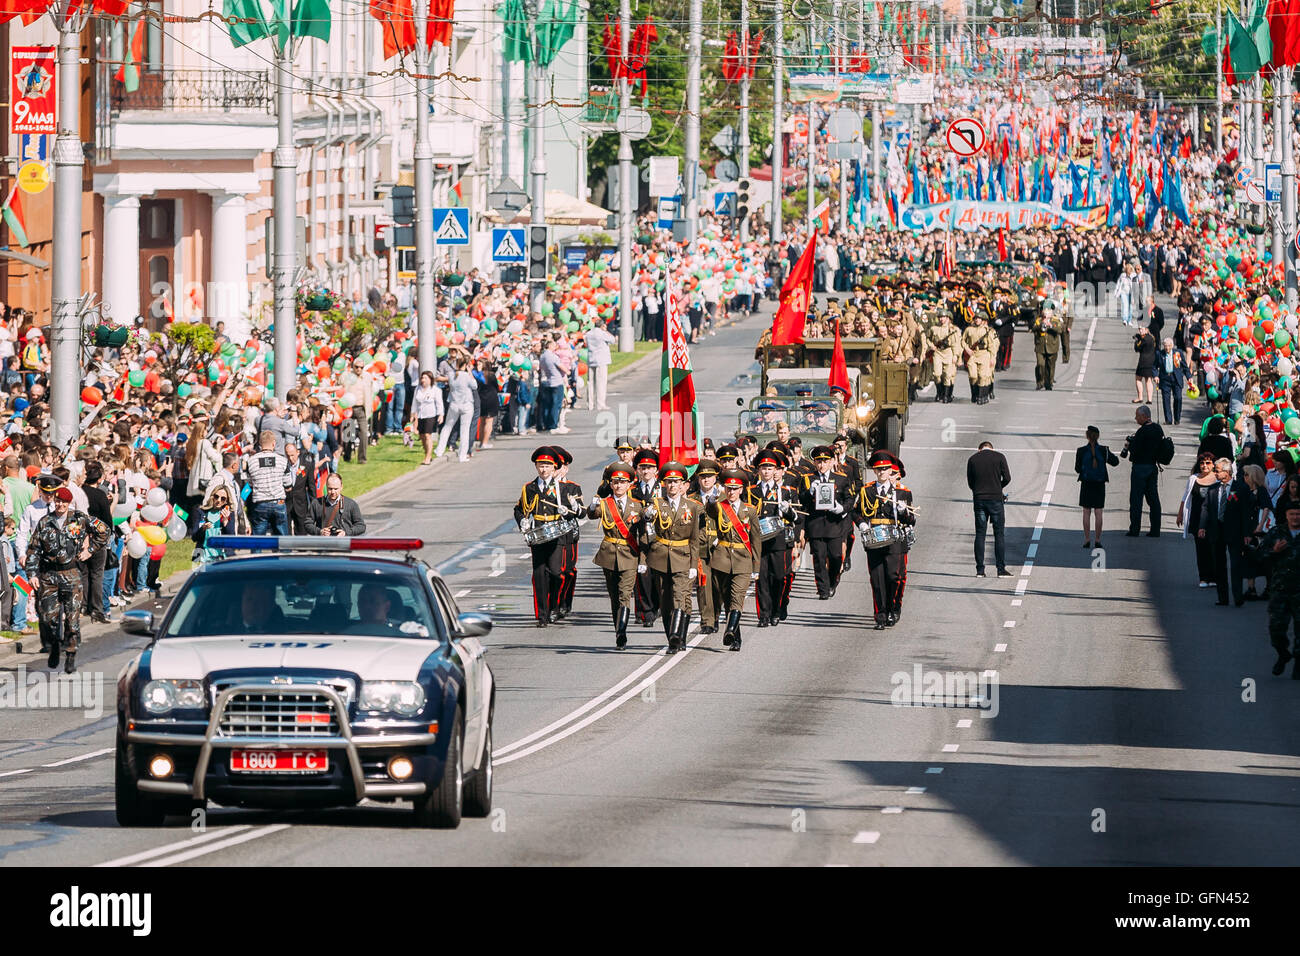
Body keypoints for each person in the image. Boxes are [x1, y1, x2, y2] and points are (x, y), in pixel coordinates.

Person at [26, 486, 108, 673]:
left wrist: (90, 550)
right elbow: (34, 549)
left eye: (64, 501)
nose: (60, 504)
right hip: (48, 576)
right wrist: (32, 574)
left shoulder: (79, 519)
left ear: (69, 502)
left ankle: (70, 653)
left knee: (72, 619)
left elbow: (104, 531)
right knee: (48, 617)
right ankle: (54, 645)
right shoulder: (45, 522)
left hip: (71, 574)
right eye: (58, 501)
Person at [643, 462, 704, 652]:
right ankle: (674, 635)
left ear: (683, 485)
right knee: (666, 601)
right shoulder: (656, 504)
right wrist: (647, 515)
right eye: (668, 482)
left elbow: (694, 539)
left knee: (680, 597)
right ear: (664, 484)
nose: (672, 485)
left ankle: (676, 637)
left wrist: (694, 563)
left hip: (683, 557)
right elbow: (646, 521)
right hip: (661, 558)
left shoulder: (692, 507)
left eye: (676, 482)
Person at [702, 470, 761, 651]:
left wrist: (756, 567)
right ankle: (736, 637)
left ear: (741, 489)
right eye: (728, 488)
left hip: (743, 560)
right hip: (721, 559)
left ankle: (729, 630)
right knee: (727, 600)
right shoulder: (719, 506)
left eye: (735, 489)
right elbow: (710, 511)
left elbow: (756, 540)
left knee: (737, 598)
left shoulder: (749, 510)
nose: (731, 492)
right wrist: (712, 500)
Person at [857, 450, 915, 628]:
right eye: (878, 469)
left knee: (893, 576)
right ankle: (880, 615)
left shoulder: (902, 493)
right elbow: (856, 512)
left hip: (895, 539)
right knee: (877, 579)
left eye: (885, 469)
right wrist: (862, 524)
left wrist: (904, 511)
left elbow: (912, 520)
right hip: (875, 538)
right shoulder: (867, 490)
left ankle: (891, 608)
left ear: (891, 471)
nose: (882, 472)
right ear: (875, 471)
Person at [588, 463, 643, 648]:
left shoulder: (638, 506)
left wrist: (643, 559)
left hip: (629, 554)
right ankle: (618, 627)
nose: (619, 486)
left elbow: (643, 534)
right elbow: (593, 514)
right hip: (609, 554)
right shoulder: (605, 504)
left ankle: (622, 631)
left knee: (624, 594)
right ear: (610, 484)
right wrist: (592, 505)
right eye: (615, 482)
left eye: (622, 482)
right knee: (614, 597)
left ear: (629, 484)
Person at [514, 446, 569, 626]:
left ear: (554, 468)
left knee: (555, 573)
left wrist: (568, 511)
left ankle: (554, 604)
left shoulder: (561, 488)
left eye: (547, 466)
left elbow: (575, 512)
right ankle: (542, 615)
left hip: (556, 534)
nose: (544, 469)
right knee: (539, 575)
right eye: (540, 465)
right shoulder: (529, 488)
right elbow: (519, 509)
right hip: (537, 535)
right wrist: (522, 520)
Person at [1248, 500, 1300, 678]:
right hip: (1280, 589)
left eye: (1298, 514)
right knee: (1276, 629)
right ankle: (1283, 654)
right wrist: (1275, 551)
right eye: (1292, 514)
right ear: (1286, 516)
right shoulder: (1277, 533)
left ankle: (1298, 665)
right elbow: (1259, 557)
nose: (1295, 517)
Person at [798, 445, 854, 598]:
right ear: (815, 463)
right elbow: (801, 500)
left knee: (836, 557)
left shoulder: (841, 478)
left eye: (825, 461)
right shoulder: (808, 478)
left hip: (834, 524)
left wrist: (841, 509)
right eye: (818, 461)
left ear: (831, 462)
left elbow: (850, 499)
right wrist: (809, 492)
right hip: (815, 524)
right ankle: (823, 590)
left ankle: (832, 581)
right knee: (819, 558)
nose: (822, 465)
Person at [751, 449, 797, 627]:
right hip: (759, 540)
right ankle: (764, 615)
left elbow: (797, 518)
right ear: (758, 470)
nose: (766, 471)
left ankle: (777, 609)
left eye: (770, 468)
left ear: (776, 470)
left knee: (779, 577)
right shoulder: (751, 491)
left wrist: (788, 511)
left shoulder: (785, 491)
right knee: (761, 578)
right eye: (763, 468)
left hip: (778, 539)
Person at [967, 440, 1012, 577]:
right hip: (996, 499)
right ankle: (1000, 569)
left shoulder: (973, 459)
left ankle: (980, 570)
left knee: (980, 534)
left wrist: (978, 489)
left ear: (979, 449)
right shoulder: (999, 457)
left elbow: (970, 482)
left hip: (979, 499)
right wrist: (998, 487)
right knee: (999, 534)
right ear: (992, 448)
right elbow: (1008, 478)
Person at [1178, 452, 1220, 588]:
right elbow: (1186, 497)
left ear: (1213, 465)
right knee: (1201, 549)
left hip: (1213, 520)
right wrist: (1180, 514)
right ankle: (1203, 577)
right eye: (1202, 463)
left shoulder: (1218, 479)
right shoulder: (1193, 479)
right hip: (1196, 519)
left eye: (1208, 463)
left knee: (1213, 548)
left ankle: (1214, 577)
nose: (1204, 466)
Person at [1074, 426, 1120, 549]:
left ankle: (1087, 539)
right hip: (1099, 484)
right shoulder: (1104, 450)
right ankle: (1098, 539)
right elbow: (1115, 462)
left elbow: (1077, 469)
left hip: (1086, 483)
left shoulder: (1081, 451)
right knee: (1098, 512)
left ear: (1087, 436)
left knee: (1086, 512)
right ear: (1098, 436)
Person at [1123, 405, 1164, 537]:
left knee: (1136, 499)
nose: (1135, 418)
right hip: (1153, 467)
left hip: (1140, 468)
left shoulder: (1142, 432)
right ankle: (1156, 529)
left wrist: (1130, 445)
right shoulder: (1158, 429)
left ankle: (1135, 529)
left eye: (1137, 416)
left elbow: (1134, 451)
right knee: (1153, 499)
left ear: (1144, 416)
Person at [244, 430, 293, 535]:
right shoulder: (283, 461)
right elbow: (288, 484)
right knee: (282, 539)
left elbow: (250, 483)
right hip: (278, 502)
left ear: (260, 444)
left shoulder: (251, 461)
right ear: (274, 443)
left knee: (258, 540)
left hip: (260, 503)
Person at [434, 355, 476, 462]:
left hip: (454, 403)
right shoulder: (467, 376)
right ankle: (462, 455)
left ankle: (439, 450)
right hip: (466, 404)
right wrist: (469, 371)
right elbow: (474, 386)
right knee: (465, 430)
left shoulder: (451, 375)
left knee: (447, 427)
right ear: (466, 365)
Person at [961, 314, 997, 404]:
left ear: (983, 320)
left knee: (982, 376)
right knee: (973, 376)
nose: (977, 320)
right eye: (976, 318)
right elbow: (962, 340)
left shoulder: (988, 331)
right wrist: (967, 349)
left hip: (984, 354)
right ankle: (975, 394)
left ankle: (982, 396)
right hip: (972, 354)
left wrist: (992, 357)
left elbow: (992, 345)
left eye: (979, 318)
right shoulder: (969, 329)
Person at [411, 370, 443, 466]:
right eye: (422, 378)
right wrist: (412, 414)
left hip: (431, 415)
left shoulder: (435, 390)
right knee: (422, 436)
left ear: (430, 380)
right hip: (421, 415)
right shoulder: (418, 389)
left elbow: (439, 403)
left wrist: (441, 414)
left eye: (425, 378)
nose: (423, 380)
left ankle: (428, 457)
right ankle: (427, 453)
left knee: (427, 435)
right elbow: (414, 403)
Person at [1156, 338, 1190, 426]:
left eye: (1169, 346)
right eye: (1165, 346)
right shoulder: (1160, 354)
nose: (1167, 348)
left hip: (1176, 378)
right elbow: (1154, 366)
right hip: (1165, 379)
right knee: (1166, 399)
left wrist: (1189, 377)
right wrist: (1156, 376)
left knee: (1178, 398)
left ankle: (1177, 418)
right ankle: (1168, 419)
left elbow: (1185, 366)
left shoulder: (1178, 353)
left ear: (1172, 346)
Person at [584, 324, 616, 411]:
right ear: (602, 325)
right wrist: (605, 331)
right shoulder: (602, 334)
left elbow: (586, 343)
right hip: (601, 360)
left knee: (590, 383)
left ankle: (590, 404)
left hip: (591, 358)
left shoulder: (589, 334)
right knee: (601, 382)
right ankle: (600, 404)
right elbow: (613, 340)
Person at [1133, 326, 1157, 405]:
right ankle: (1149, 399)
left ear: (1146, 330)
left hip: (1144, 361)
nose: (1140, 331)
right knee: (1148, 380)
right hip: (1152, 360)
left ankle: (1140, 397)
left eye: (1142, 329)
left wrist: (1137, 340)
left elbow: (1137, 348)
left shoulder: (1144, 339)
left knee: (1138, 378)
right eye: (1139, 329)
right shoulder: (1152, 338)